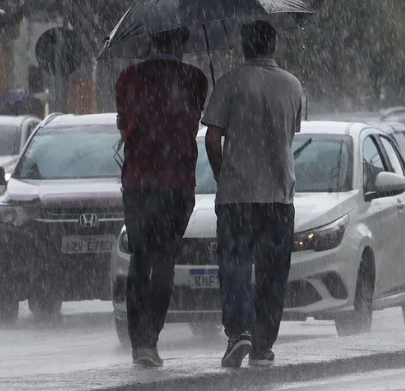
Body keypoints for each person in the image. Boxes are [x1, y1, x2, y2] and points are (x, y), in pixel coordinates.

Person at [202, 20, 303, 368]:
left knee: (235, 265)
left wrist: (221, 173)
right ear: (273, 44)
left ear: (243, 47)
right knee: (273, 273)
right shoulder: (293, 86)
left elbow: (212, 138)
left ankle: (239, 331)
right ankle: (263, 345)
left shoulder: (228, 83)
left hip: (236, 196)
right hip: (278, 195)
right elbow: (290, 134)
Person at [116, 27, 208, 367]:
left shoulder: (128, 77)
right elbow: (192, 124)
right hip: (178, 184)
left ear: (151, 41)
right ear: (180, 44)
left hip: (138, 184)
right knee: (165, 260)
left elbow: (124, 125)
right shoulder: (196, 79)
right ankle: (151, 338)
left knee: (139, 259)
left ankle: (138, 339)